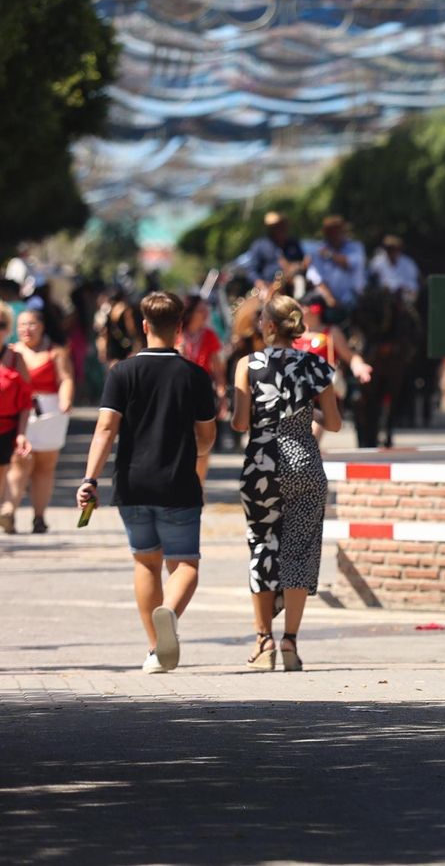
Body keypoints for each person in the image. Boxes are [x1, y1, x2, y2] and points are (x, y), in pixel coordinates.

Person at [74, 291, 217, 673]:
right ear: (180, 327)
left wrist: (90, 478)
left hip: (132, 483)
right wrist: (199, 453)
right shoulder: (195, 375)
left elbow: (106, 428)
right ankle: (168, 612)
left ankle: (156, 651)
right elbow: (206, 437)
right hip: (177, 483)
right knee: (185, 564)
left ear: (143, 326)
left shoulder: (121, 372)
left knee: (145, 563)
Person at [232, 295, 340, 673]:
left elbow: (240, 423)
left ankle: (263, 643)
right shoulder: (315, 364)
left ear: (270, 326)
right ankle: (291, 642)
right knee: (300, 551)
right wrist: (301, 412)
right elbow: (336, 422)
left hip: (262, 464)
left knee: (262, 545)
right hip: (305, 462)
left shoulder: (248, 365)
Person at [6, 309, 74, 534]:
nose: (27, 329)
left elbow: (66, 379)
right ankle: (9, 511)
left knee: (45, 467)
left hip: (50, 412)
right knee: (19, 461)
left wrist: (65, 402)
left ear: (42, 326)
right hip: (21, 412)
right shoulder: (11, 352)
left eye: (32, 324)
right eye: (22, 325)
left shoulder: (56, 352)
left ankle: (39, 516)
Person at [0, 321, 31, 536]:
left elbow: (25, 400)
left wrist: (21, 433)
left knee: (4, 470)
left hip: (7, 425)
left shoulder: (15, 358)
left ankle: (7, 511)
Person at [305, 215, 366, 324]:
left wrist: (329, 254)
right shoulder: (317, 251)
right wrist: (330, 298)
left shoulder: (355, 247)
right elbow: (316, 279)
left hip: (354, 298)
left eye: (337, 230)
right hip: (328, 300)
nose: (334, 234)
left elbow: (349, 264)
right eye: (330, 231)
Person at [240, 211, 308, 297]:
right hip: (269, 286)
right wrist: (259, 282)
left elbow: (302, 262)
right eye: (276, 226)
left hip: (291, 283)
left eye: (281, 225)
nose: (280, 228)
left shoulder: (293, 244)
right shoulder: (260, 245)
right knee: (264, 300)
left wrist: (297, 267)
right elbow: (251, 270)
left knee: (300, 283)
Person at [97, 287, 142, 368]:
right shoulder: (125, 309)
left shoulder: (107, 312)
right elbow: (131, 329)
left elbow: (104, 333)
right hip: (126, 349)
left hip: (113, 349)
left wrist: (102, 351)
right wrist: (137, 345)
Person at [368, 234, 420, 299]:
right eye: (388, 248)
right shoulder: (377, 261)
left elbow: (413, 283)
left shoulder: (408, 263)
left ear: (399, 249)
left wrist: (407, 290)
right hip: (383, 296)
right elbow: (371, 279)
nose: (390, 251)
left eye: (393, 248)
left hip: (404, 295)